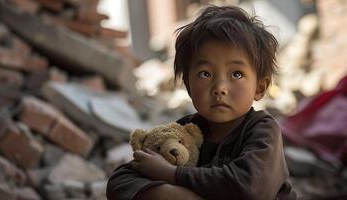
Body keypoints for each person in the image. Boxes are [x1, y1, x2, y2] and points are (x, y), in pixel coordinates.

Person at [107, 5, 296, 200]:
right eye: (205, 74)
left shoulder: (262, 130)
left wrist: (171, 174)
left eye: (236, 74)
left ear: (260, 88)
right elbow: (120, 181)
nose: (219, 87)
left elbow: (250, 186)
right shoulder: (185, 131)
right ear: (188, 85)